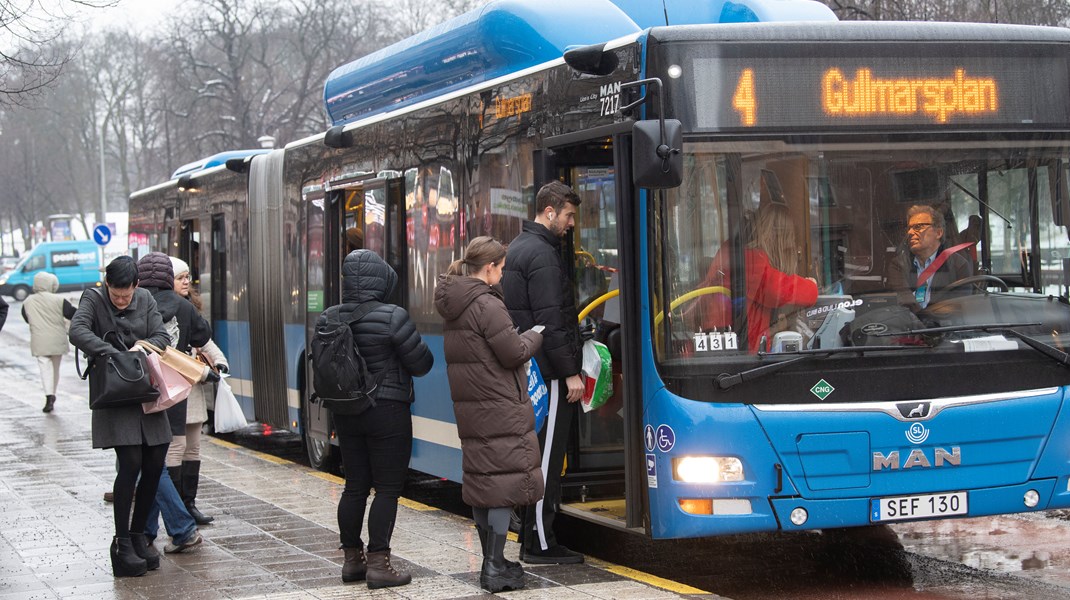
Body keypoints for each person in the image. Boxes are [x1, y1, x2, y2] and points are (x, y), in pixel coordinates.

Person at [434, 237, 544, 592]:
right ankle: (494, 567)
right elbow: (512, 352)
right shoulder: (486, 304)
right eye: (501, 267)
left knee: (484, 484)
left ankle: (493, 562)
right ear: (490, 268)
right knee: (499, 487)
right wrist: (534, 337)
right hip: (497, 406)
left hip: (473, 408)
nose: (503, 273)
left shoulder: (457, 303)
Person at [326, 249, 433, 589]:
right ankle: (379, 564)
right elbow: (422, 363)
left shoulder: (330, 317)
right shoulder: (393, 317)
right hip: (387, 411)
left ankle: (351, 561)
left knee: (355, 486)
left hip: (346, 411)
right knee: (386, 489)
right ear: (382, 280)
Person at [69, 255, 172, 577]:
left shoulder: (145, 299)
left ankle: (140, 534)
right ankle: (122, 542)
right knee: (130, 463)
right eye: (116, 295)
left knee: (155, 461)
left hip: (144, 390)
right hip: (115, 393)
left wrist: (143, 347)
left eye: (126, 295)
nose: (122, 300)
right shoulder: (93, 297)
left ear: (136, 286)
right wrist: (111, 353)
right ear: (107, 285)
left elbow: (162, 336)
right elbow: (77, 330)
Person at [501, 180, 585, 565]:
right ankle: (539, 543)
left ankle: (535, 535)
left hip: (532, 370)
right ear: (549, 212)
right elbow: (551, 320)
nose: (571, 224)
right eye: (568, 215)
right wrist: (570, 372)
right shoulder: (543, 255)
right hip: (550, 373)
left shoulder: (519, 248)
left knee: (538, 455)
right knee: (547, 459)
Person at [137, 252, 213, 554]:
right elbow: (203, 334)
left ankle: (181, 529)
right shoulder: (182, 305)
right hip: (175, 391)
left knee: (151, 462)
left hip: (144, 390)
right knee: (156, 460)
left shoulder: (138, 302)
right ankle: (145, 530)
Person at [694, 203, 818, 352]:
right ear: (780, 241)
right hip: (731, 355)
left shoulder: (736, 252)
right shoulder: (750, 259)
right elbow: (777, 289)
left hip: (726, 345)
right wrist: (811, 287)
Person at [168, 256, 227, 525]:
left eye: (187, 277)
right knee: (176, 447)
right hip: (173, 387)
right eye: (180, 277)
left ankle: (189, 504)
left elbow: (204, 342)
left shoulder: (190, 307)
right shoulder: (160, 307)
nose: (185, 281)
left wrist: (220, 360)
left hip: (192, 387)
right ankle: (176, 507)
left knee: (193, 447)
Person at [886, 204, 974, 310]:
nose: (910, 232)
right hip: (911, 324)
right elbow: (906, 304)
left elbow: (959, 307)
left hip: (945, 325)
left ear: (938, 232)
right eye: (909, 228)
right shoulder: (898, 265)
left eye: (918, 227)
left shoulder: (958, 265)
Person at [21, 272, 76, 412]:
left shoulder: (28, 301)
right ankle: (53, 393)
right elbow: (73, 314)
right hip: (58, 339)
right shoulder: (60, 300)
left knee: (44, 368)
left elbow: (26, 317)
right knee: (55, 369)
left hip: (39, 340)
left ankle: (49, 395)